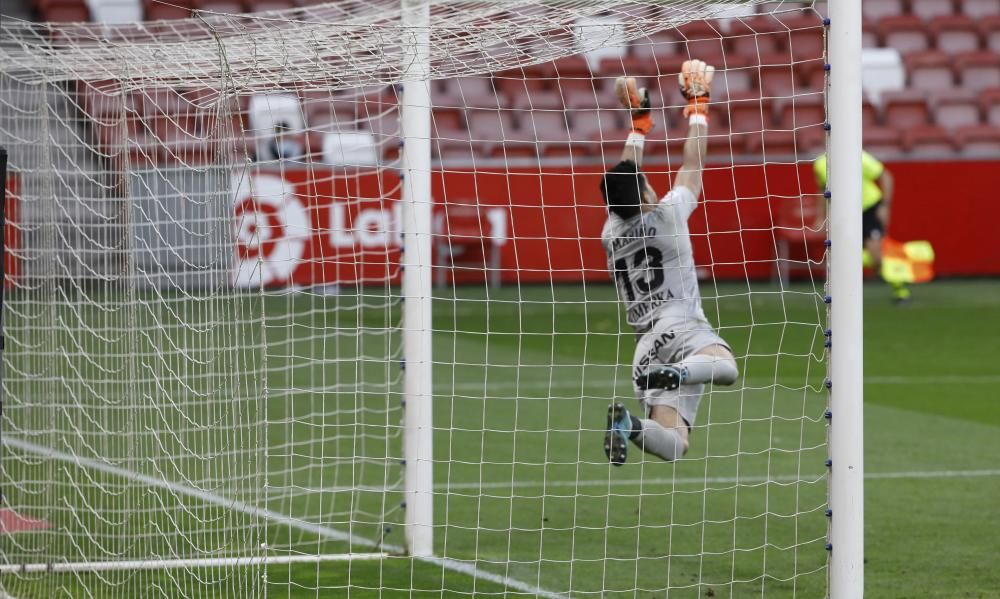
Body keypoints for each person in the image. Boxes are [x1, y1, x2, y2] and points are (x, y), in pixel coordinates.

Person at [599, 60, 739, 466]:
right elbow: (692, 165)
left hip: (646, 347)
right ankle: (680, 373)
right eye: (645, 182)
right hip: (681, 328)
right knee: (726, 367)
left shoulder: (610, 235)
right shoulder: (668, 216)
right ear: (644, 196)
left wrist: (639, 124)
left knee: (674, 443)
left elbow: (624, 178)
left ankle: (629, 424)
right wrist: (698, 105)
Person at [813, 150, 909, 302]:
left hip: (870, 209)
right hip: (845, 214)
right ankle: (843, 295)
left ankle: (899, 289)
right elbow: (822, 191)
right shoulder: (819, 164)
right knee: (842, 255)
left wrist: (885, 206)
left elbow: (886, 176)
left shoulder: (858, 156)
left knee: (876, 257)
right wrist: (820, 216)